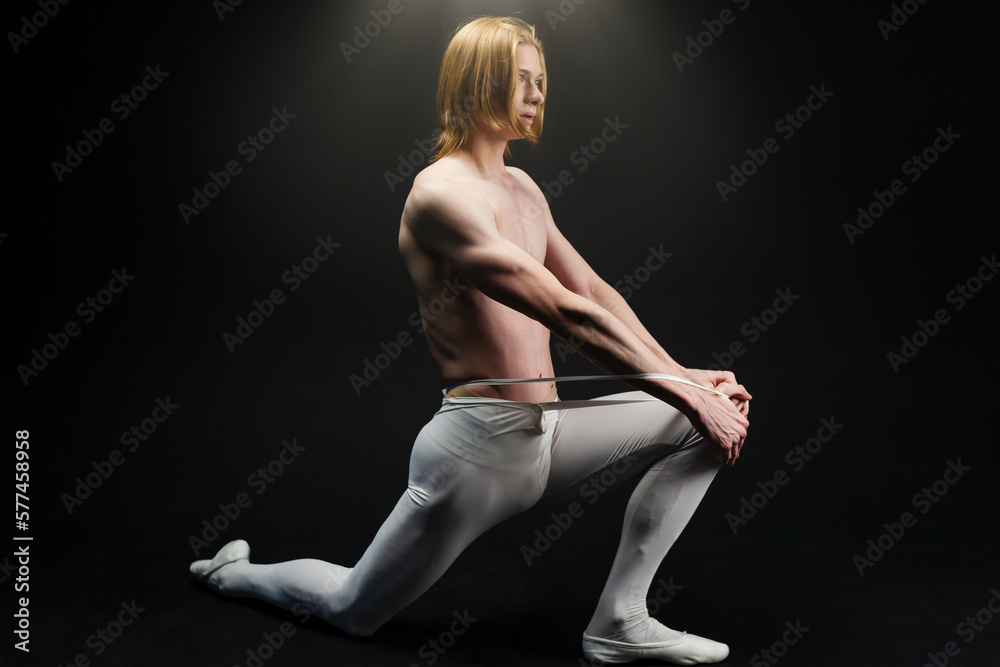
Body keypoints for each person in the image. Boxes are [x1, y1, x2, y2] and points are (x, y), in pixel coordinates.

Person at [190, 16, 751, 665]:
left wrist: (685, 377)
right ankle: (232, 573)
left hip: (547, 436)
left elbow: (594, 291)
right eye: (522, 79)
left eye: (542, 80)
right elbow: (565, 313)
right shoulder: (439, 194)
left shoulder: (523, 189)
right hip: (475, 453)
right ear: (478, 81)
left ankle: (618, 622)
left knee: (710, 421)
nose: (539, 92)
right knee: (353, 608)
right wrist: (679, 388)